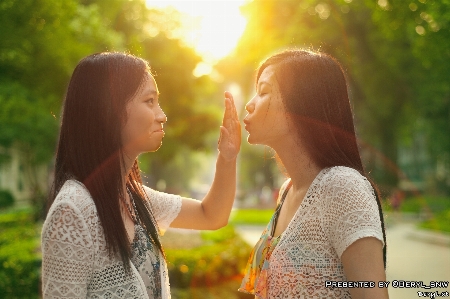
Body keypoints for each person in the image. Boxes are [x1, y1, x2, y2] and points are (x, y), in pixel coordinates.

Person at [41, 52, 241, 299]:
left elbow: (211, 215)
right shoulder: (73, 211)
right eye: (150, 101)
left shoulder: (135, 198)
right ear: (109, 109)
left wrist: (228, 156)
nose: (162, 115)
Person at [238, 50, 388, 299]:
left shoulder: (342, 186)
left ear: (300, 103)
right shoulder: (287, 190)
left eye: (263, 91)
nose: (250, 103)